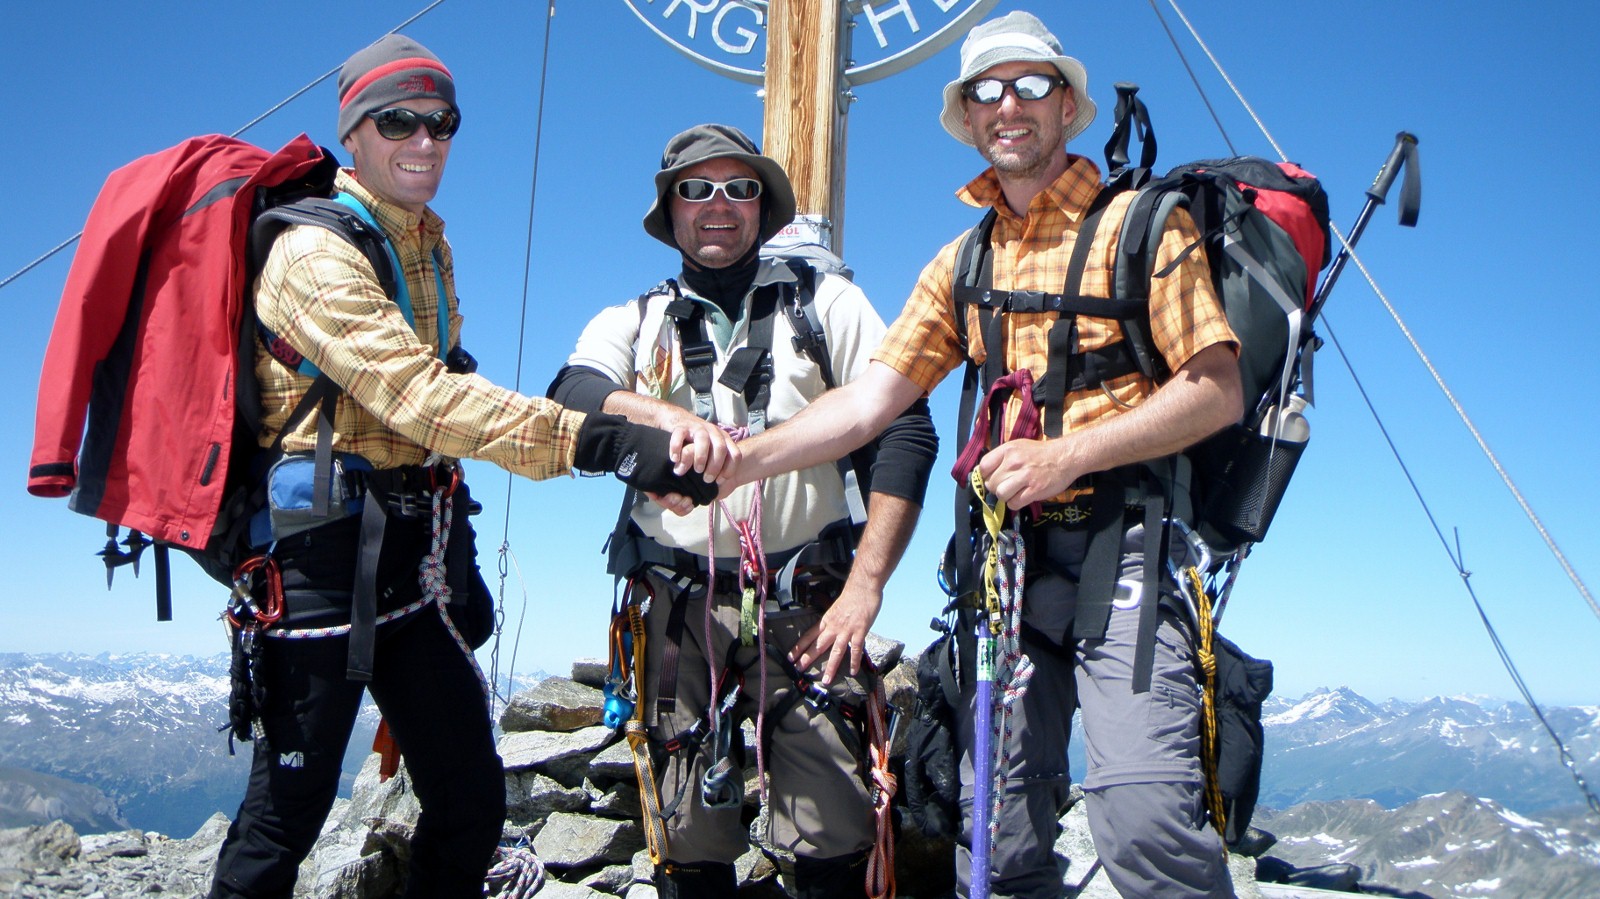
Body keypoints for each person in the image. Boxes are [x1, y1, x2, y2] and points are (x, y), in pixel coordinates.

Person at [726, 11, 1243, 899]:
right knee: (995, 832)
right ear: (967, 117)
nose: (1009, 105)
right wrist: (744, 461)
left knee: (1142, 821)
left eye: (1032, 85)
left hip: (1125, 547)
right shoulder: (960, 263)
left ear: (1068, 106)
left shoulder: (1143, 227)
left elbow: (1215, 387)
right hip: (1005, 568)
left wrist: (1066, 454)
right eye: (987, 91)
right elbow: (871, 402)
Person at [209, 35, 715, 899]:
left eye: (441, 123)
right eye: (397, 121)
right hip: (315, 561)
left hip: (409, 555)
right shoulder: (312, 254)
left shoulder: (420, 244)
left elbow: (434, 398)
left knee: (471, 799)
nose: (424, 140)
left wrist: (459, 545)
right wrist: (609, 443)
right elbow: (422, 399)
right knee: (285, 813)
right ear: (352, 132)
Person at [547, 124, 938, 898]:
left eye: (740, 187)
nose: (718, 205)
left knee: (835, 826)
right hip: (674, 606)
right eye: (696, 189)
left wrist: (866, 586)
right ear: (671, 210)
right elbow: (573, 396)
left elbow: (903, 429)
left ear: (763, 205)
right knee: (686, 834)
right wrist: (664, 418)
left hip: (810, 602)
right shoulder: (635, 320)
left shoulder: (827, 302)